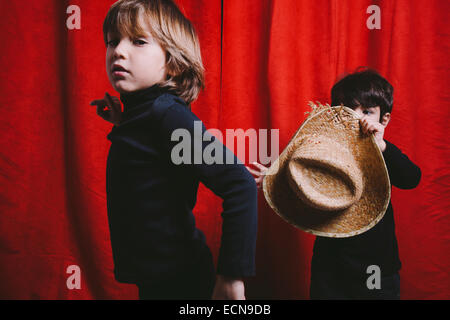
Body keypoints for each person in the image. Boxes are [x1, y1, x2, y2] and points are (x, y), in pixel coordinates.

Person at [90, 0, 257, 300]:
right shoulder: (145, 116)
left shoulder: (167, 114)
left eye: (138, 41)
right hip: (154, 280)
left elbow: (240, 183)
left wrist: (232, 278)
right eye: (112, 42)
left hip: (182, 281)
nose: (118, 51)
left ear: (172, 62)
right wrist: (124, 122)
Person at [248, 69, 421, 299]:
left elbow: (412, 178)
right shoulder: (326, 149)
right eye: (348, 109)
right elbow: (304, 175)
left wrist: (382, 147)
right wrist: (273, 178)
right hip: (330, 266)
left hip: (376, 267)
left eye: (367, 111)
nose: (356, 118)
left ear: (384, 118)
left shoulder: (383, 151)